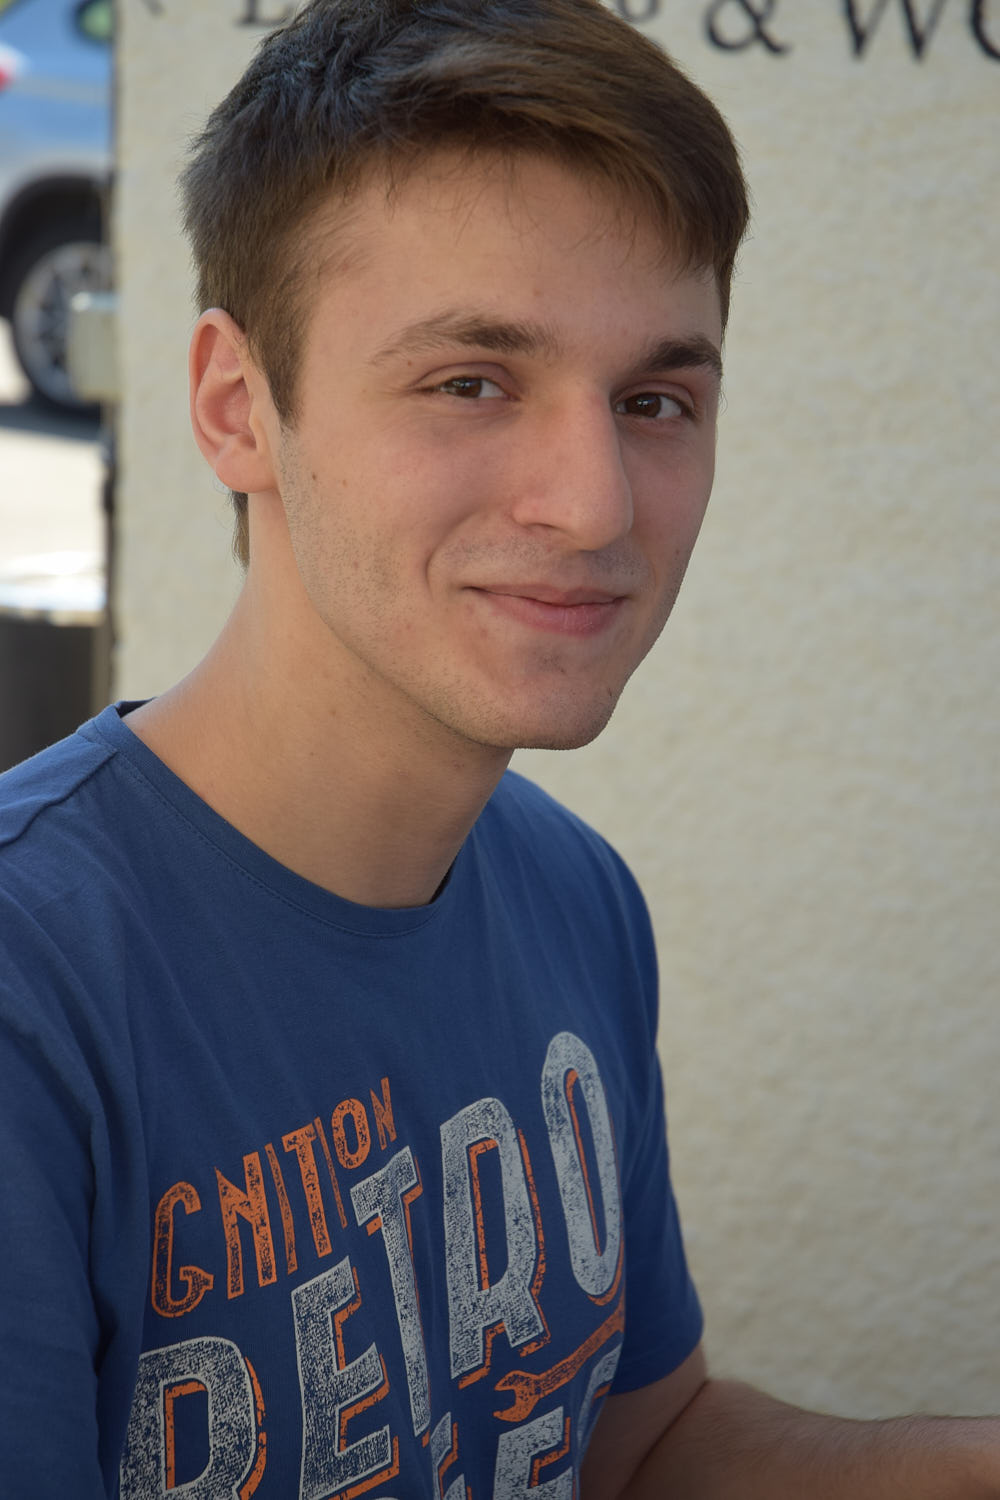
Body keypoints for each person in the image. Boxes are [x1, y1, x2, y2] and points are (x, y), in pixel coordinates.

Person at [0, 0, 996, 1494]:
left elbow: (636, 1451)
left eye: (655, 400)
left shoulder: (573, 895)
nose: (594, 505)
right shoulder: (35, 998)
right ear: (235, 407)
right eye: (472, 381)